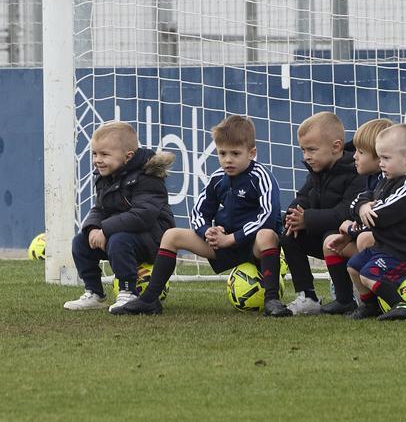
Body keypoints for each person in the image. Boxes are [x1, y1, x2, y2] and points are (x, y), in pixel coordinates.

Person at [111, 115, 282, 316]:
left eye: (236, 153)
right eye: (222, 153)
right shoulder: (218, 178)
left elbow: (268, 215)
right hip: (223, 244)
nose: (228, 159)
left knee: (267, 235)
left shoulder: (261, 177)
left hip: (252, 245)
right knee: (172, 235)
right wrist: (207, 231)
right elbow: (199, 212)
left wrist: (231, 238)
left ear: (251, 153)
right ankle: (149, 299)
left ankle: (272, 300)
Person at [63, 122, 175, 311]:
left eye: (104, 154)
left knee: (119, 240)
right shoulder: (106, 176)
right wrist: (93, 228)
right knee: (81, 242)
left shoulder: (148, 176)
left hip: (154, 239)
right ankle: (94, 293)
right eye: (94, 154)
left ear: (127, 156)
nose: (97, 160)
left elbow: (143, 216)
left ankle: (128, 292)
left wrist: (106, 230)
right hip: (122, 234)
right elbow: (100, 209)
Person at [345, 124, 406, 321]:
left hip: (404, 253)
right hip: (384, 248)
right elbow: (358, 201)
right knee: (353, 267)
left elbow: (382, 213)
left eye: (386, 158)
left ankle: (402, 304)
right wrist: (362, 208)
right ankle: (371, 306)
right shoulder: (386, 181)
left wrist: (365, 212)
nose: (381, 163)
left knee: (369, 274)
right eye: (380, 158)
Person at [271, 112, 365, 317]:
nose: (306, 156)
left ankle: (347, 297)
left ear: (336, 147)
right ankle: (308, 297)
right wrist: (293, 217)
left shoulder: (356, 171)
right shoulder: (317, 171)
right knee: (288, 235)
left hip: (349, 239)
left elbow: (345, 212)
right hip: (323, 234)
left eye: (312, 149)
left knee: (331, 236)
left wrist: (307, 219)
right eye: (303, 150)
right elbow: (303, 198)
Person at [323, 118, 394, 265]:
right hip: (373, 236)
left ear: (380, 156)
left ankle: (401, 276)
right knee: (330, 244)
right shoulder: (371, 179)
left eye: (360, 152)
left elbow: (379, 219)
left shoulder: (392, 182)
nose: (354, 156)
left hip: (397, 246)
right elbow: (356, 204)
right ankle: (348, 283)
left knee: (364, 239)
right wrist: (359, 213)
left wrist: (351, 230)